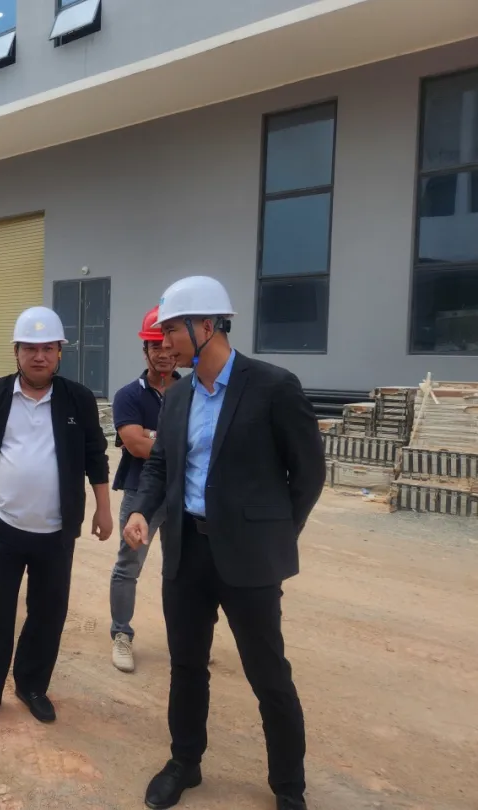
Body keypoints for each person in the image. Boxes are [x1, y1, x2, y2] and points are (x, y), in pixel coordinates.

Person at [123, 276, 324, 810]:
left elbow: (308, 473)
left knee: (268, 674)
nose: (164, 342)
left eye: (172, 330)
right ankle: (184, 762)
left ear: (207, 325)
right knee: (187, 665)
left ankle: (288, 787)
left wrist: (275, 534)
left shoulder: (274, 387)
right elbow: (160, 465)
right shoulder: (178, 396)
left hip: (249, 559)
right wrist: (141, 510)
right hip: (187, 552)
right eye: (161, 332)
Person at [0, 306, 112, 732]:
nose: (39, 356)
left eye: (48, 348)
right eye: (30, 348)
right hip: (2, 527)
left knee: (47, 614)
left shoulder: (78, 399)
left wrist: (103, 508)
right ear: (17, 352)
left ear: (60, 352)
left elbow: (96, 455)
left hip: (56, 532)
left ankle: (32, 686)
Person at [108, 305, 180, 673]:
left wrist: (154, 436)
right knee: (129, 565)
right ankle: (121, 634)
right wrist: (177, 443)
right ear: (145, 351)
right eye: (155, 346)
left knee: (183, 570)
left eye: (168, 346)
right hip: (141, 494)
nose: (163, 353)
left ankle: (187, 638)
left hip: (184, 494)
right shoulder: (128, 396)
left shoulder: (192, 392)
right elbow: (135, 445)